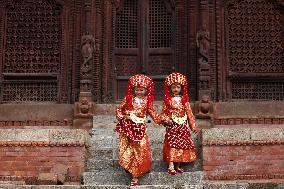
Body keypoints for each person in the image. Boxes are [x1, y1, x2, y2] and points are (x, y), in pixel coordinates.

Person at [115, 74, 160, 186]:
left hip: (140, 128)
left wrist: (162, 120)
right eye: (137, 90)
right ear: (133, 90)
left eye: (142, 90)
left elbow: (152, 113)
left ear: (146, 90)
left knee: (141, 149)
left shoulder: (147, 102)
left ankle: (138, 172)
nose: (140, 92)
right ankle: (132, 172)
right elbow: (119, 109)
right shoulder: (128, 99)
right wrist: (121, 116)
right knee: (129, 149)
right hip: (129, 127)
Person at [160, 72, 198, 175]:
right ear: (170, 88)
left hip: (182, 125)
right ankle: (171, 164)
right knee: (172, 144)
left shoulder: (184, 101)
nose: (176, 89)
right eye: (173, 87)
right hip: (173, 125)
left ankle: (178, 165)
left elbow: (189, 113)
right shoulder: (168, 100)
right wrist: (166, 119)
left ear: (181, 88)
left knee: (182, 144)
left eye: (178, 87)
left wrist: (193, 126)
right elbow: (164, 112)